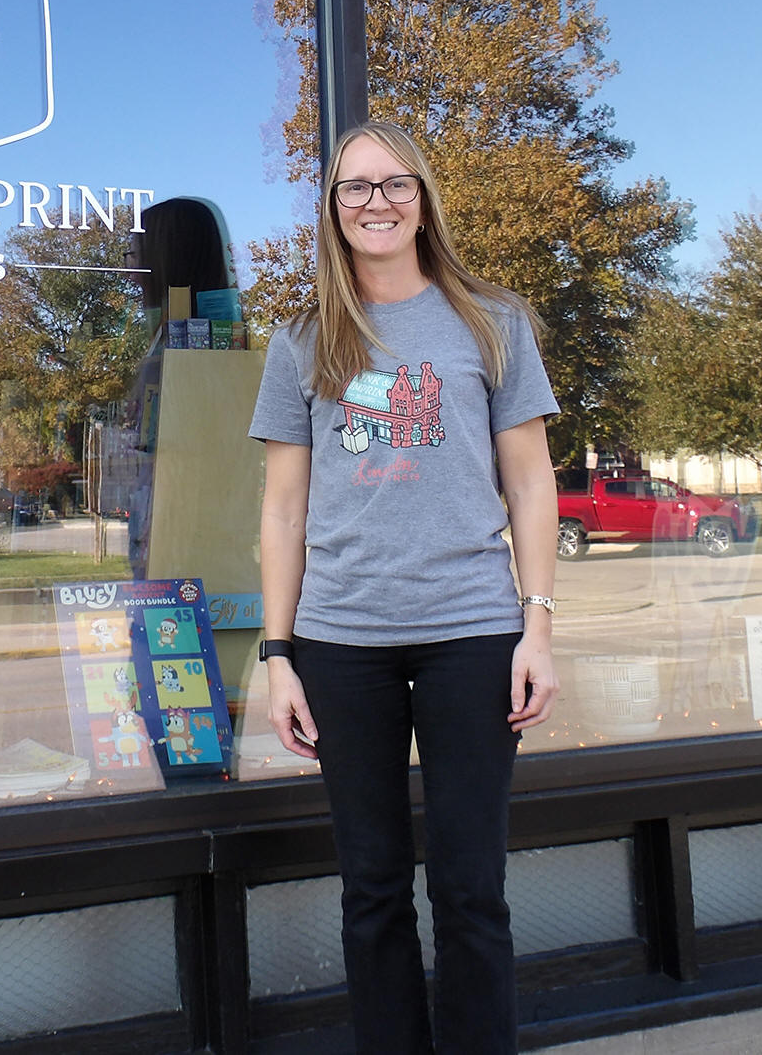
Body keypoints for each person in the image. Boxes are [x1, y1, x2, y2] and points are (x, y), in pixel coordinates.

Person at [247, 120, 561, 1054]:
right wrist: (278, 655)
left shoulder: (492, 322)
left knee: (471, 890)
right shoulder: (302, 341)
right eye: (355, 187)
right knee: (372, 889)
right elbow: (283, 511)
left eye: (394, 184)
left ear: (423, 201)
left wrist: (538, 626)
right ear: (332, 210)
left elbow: (531, 483)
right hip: (342, 642)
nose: (375, 202)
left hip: (472, 632)